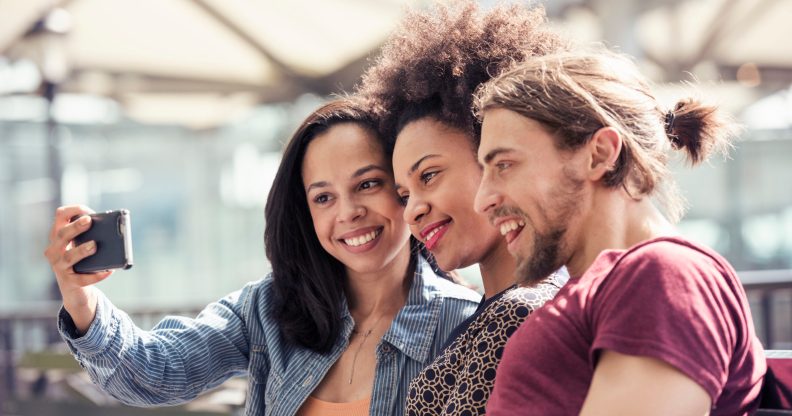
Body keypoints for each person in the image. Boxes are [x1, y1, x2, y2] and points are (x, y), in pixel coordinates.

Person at [44, 99, 480, 416]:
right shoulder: (269, 310)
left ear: (403, 186)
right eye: (323, 197)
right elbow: (152, 372)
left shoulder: (465, 325)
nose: (348, 213)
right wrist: (80, 299)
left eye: (367, 184)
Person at [473, 50, 766, 415]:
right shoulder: (611, 285)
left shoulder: (663, 272)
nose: (482, 199)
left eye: (504, 164)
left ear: (599, 155)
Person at [357, 3, 567, 414]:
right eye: (403, 195)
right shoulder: (489, 312)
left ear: (495, 158)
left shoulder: (521, 313)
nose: (412, 211)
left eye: (429, 176)